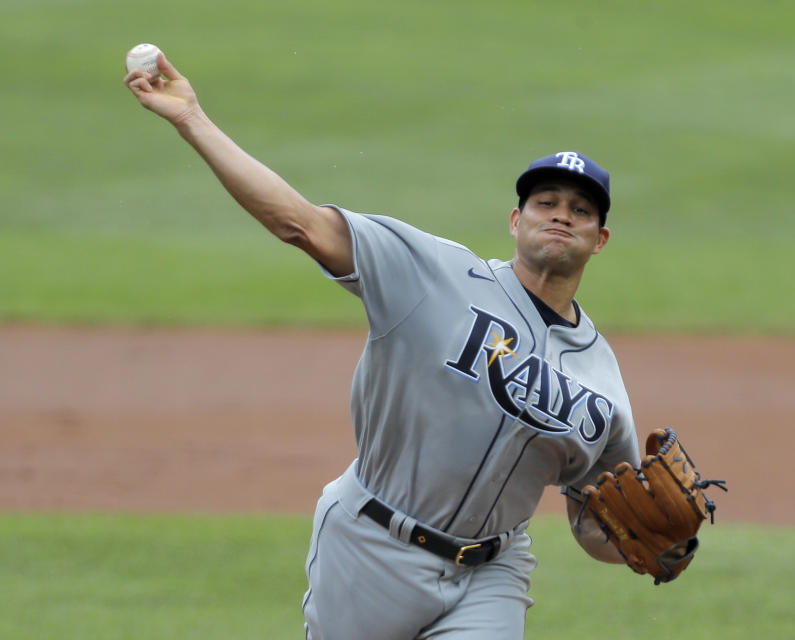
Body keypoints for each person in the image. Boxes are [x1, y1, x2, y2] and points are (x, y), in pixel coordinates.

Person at [124, 52, 642, 640]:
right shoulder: (431, 272)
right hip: (369, 547)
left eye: (579, 210)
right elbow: (299, 223)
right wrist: (192, 118)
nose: (559, 217)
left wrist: (664, 546)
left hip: (491, 572)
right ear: (515, 219)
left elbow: (600, 525)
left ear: (599, 240)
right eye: (545, 203)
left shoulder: (601, 378)